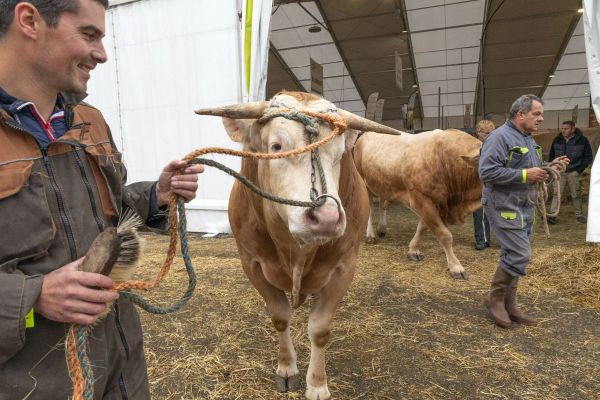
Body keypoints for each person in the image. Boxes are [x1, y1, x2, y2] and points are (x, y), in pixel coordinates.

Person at [0, 1, 204, 398]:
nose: (102, 54)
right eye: (89, 34)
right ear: (29, 21)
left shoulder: (89, 121)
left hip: (121, 372)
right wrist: (33, 296)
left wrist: (155, 196)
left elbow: (107, 215)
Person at [479, 94, 568, 328]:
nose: (541, 118)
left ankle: (510, 303)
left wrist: (550, 167)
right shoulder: (499, 137)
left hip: (524, 205)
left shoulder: (527, 138)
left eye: (541, 114)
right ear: (520, 114)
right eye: (536, 114)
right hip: (504, 204)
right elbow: (486, 172)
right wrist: (526, 175)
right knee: (520, 254)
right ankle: (495, 299)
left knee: (514, 254)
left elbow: (529, 169)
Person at [547, 120, 593, 224]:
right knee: (556, 193)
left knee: (576, 193)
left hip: (574, 171)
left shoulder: (582, 140)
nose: (563, 131)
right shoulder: (557, 139)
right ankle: (553, 215)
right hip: (559, 172)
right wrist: (554, 167)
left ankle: (579, 215)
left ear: (573, 129)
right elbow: (552, 155)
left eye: (566, 128)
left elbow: (588, 157)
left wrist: (579, 170)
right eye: (562, 128)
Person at [473, 119, 495, 250]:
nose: (488, 135)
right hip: (478, 184)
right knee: (480, 212)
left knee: (492, 213)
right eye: (486, 133)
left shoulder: (494, 144)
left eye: (491, 133)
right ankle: (482, 240)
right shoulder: (474, 145)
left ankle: (488, 238)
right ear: (478, 132)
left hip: (493, 183)